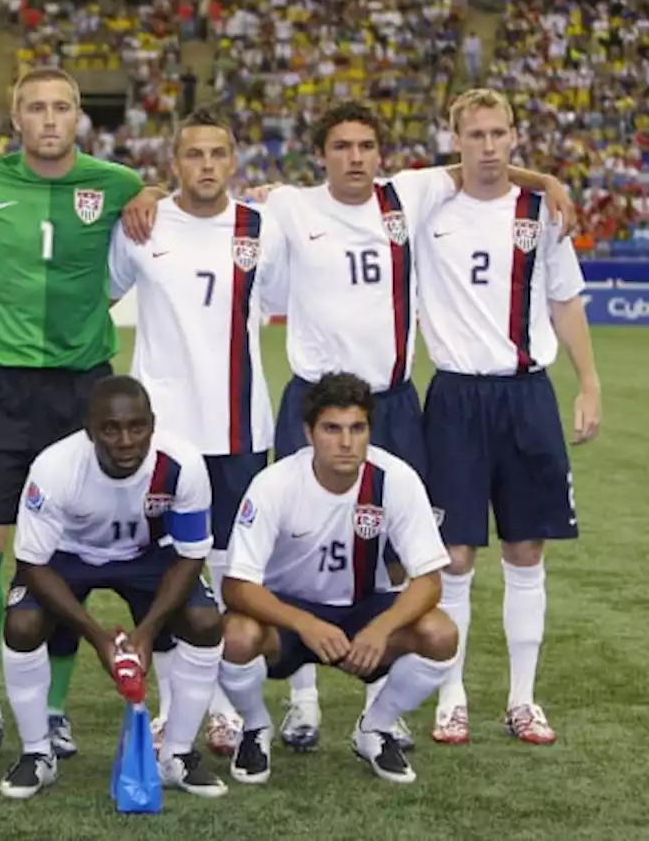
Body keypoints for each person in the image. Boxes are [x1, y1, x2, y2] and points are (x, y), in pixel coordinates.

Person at [258, 101, 574, 753]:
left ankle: (384, 701)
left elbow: (483, 167)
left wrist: (547, 182)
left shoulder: (407, 195)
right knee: (297, 546)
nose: (354, 157)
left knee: (404, 553)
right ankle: (303, 701)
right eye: (341, 145)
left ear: (381, 153)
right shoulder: (288, 205)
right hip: (314, 400)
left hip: (393, 403)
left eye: (366, 146)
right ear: (321, 153)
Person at [0, 66, 164, 757]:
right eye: (35, 108)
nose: (49, 118)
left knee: (64, 549)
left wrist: (154, 190)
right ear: (15, 120)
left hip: (80, 388)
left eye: (61, 107)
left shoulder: (116, 185)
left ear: (79, 118)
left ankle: (54, 706)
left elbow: (176, 200)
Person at [416, 89, 602, 747]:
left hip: (526, 396)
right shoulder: (426, 207)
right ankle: (452, 696)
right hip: (457, 398)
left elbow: (565, 300)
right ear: (455, 139)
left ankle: (523, 699)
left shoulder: (540, 212)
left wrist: (589, 384)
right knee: (455, 555)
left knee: (526, 547)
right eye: (476, 134)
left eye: (500, 134)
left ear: (515, 137)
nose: (489, 146)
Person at [107, 107, 286, 757]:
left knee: (230, 569)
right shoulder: (142, 226)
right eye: (193, 155)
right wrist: (144, 195)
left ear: (234, 160)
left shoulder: (264, 226)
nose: (206, 166)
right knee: (163, 570)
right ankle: (178, 703)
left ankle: (225, 706)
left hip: (239, 427)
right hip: (161, 437)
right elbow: (98, 295)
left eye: (218, 154)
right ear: (173, 162)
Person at [218, 372, 459, 785]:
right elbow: (236, 585)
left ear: (369, 430)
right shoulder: (275, 484)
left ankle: (375, 728)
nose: (346, 442)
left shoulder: (395, 479)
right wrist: (305, 624)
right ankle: (256, 728)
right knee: (236, 637)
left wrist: (381, 629)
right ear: (309, 432)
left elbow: (429, 580)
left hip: (364, 610)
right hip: (289, 613)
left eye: (357, 428)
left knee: (441, 634)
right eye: (332, 428)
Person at [0, 376, 226, 800]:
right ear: (89, 430)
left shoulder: (182, 464)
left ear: (152, 424)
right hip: (66, 557)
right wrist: (98, 637)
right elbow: (32, 562)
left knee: (205, 620)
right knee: (23, 624)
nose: (125, 441)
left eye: (137, 427)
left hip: (147, 555)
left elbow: (191, 554)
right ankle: (36, 754)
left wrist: (147, 632)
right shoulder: (55, 467)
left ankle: (177, 756)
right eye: (111, 429)